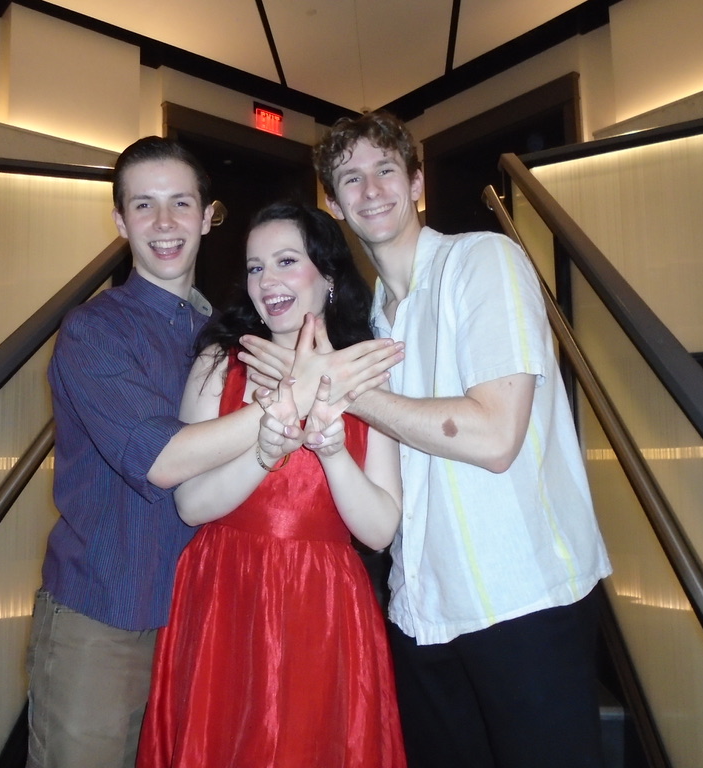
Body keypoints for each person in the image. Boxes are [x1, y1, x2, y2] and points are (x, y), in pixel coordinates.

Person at [240, 111, 613, 768]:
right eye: (350, 177)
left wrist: (334, 383)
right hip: (422, 615)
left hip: (521, 604)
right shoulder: (374, 320)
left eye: (387, 169)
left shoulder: (483, 262)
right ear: (332, 201)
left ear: (416, 182)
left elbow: (496, 435)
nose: (372, 188)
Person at [28, 137, 403, 768]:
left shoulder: (211, 326)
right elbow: (167, 463)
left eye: (181, 202)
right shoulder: (97, 331)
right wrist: (295, 397)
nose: (165, 222)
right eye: (144, 205)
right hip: (113, 612)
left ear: (208, 217)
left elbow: (380, 520)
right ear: (120, 221)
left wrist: (322, 417)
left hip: (223, 608)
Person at [136, 201, 407, 768]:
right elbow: (190, 504)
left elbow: (380, 530)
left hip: (325, 603)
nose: (268, 281)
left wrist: (332, 455)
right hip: (225, 592)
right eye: (256, 267)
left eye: (287, 261)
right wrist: (264, 451)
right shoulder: (221, 363)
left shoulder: (367, 373)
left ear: (328, 276)